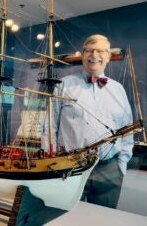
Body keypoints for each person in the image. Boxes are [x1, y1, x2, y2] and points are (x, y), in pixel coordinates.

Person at [52, 34, 133, 209]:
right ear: (82, 54)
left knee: (104, 219)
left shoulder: (119, 90)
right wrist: (52, 163)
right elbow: (49, 127)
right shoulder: (62, 85)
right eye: (89, 50)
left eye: (101, 51)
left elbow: (128, 130)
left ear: (109, 56)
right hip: (70, 166)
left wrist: (121, 164)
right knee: (67, 216)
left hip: (109, 169)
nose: (94, 55)